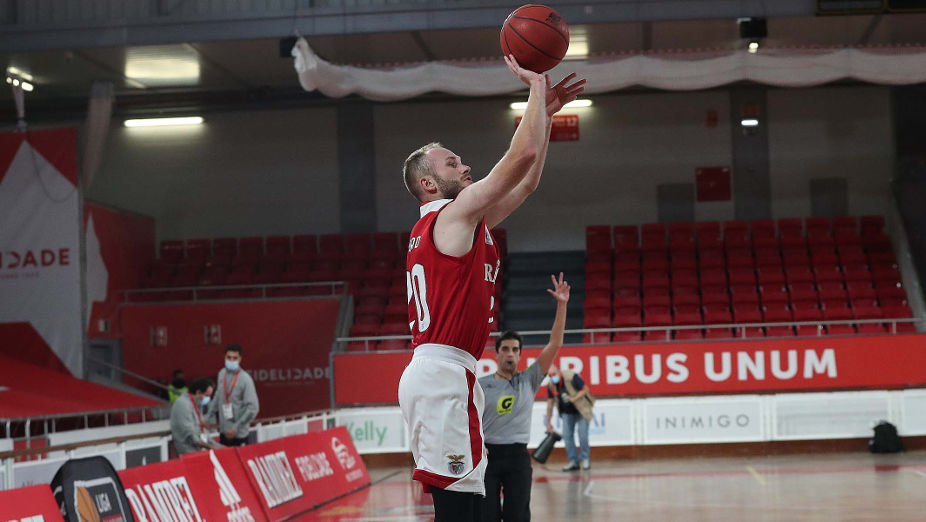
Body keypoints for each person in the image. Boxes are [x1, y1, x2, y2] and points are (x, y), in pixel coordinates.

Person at [398, 55, 585, 522]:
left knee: (470, 505)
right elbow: (516, 160)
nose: (464, 165)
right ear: (428, 182)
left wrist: (544, 120)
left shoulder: (464, 222)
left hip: (448, 373)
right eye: (452, 162)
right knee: (459, 510)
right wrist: (535, 92)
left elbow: (526, 183)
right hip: (441, 373)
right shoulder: (451, 216)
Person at [478, 273, 570, 522]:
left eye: (515, 350)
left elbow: (555, 344)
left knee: (517, 516)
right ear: (496, 354)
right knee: (487, 516)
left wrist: (561, 305)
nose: (510, 353)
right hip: (487, 458)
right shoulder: (480, 385)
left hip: (518, 457)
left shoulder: (529, 379)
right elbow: (466, 420)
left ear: (520, 355)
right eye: (505, 349)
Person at [207, 344, 259, 446]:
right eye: (229, 357)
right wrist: (208, 416)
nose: (231, 360)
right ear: (224, 357)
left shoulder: (245, 379)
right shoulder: (222, 374)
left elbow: (253, 408)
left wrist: (236, 427)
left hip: (239, 435)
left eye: (235, 358)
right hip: (223, 432)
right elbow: (218, 395)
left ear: (240, 359)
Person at [545, 364, 595, 471]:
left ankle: (585, 459)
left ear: (559, 371)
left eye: (554, 374)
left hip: (582, 410)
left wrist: (573, 399)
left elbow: (585, 389)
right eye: (550, 375)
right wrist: (548, 422)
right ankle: (573, 462)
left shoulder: (571, 376)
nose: (553, 377)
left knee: (583, 436)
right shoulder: (551, 385)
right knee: (567, 437)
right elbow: (550, 404)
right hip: (567, 412)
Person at [170, 377, 216, 455]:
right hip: (188, 450)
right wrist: (213, 448)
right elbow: (192, 437)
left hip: (198, 444)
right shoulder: (183, 405)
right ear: (198, 392)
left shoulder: (197, 402)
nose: (209, 398)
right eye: (207, 395)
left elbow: (200, 422)